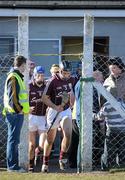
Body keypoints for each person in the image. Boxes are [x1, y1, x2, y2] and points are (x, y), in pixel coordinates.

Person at [41, 63, 73, 172]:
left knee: (68, 133)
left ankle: (62, 158)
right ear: (59, 71)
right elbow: (44, 98)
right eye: (64, 73)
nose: (66, 75)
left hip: (66, 110)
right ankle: (45, 163)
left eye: (68, 73)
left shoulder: (71, 79)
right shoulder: (52, 81)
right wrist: (55, 107)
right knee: (50, 140)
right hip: (53, 110)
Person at [3, 55, 29, 172]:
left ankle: (13, 166)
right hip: (14, 115)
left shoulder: (16, 76)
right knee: (13, 140)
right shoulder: (14, 77)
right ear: (22, 65)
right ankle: (12, 166)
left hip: (15, 114)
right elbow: (12, 99)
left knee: (14, 140)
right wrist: (20, 110)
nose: (26, 68)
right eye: (25, 66)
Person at [28, 66, 47, 172]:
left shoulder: (47, 86)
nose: (40, 77)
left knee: (43, 144)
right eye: (38, 75)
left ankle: (38, 151)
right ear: (34, 76)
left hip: (43, 117)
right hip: (31, 117)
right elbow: (23, 100)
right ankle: (30, 166)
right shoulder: (29, 86)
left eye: (42, 75)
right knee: (31, 144)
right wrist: (27, 108)